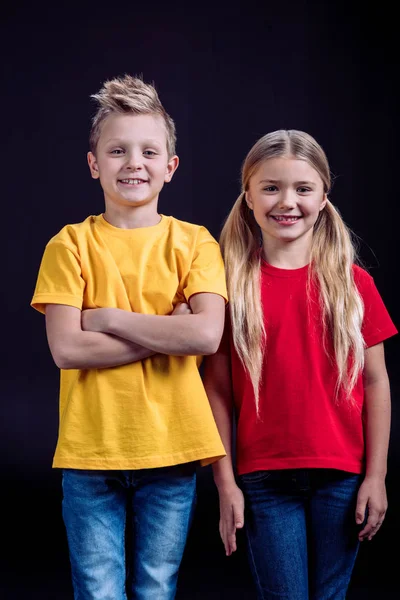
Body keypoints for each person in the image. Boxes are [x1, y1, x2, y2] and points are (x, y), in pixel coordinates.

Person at [31, 74, 227, 600]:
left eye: (148, 151)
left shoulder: (195, 243)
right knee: (98, 591)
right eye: (117, 151)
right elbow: (67, 348)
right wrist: (169, 331)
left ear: (170, 166)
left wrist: (110, 317)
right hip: (90, 451)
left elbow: (206, 335)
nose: (133, 163)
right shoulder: (68, 245)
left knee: (157, 588)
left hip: (172, 449)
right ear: (95, 164)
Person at [203, 129, 397, 600]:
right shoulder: (228, 288)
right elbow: (217, 392)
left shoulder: (353, 285)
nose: (286, 201)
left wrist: (376, 476)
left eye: (303, 188)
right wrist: (225, 483)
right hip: (264, 479)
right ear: (248, 196)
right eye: (270, 187)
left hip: (343, 477)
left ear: (324, 197)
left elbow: (376, 382)